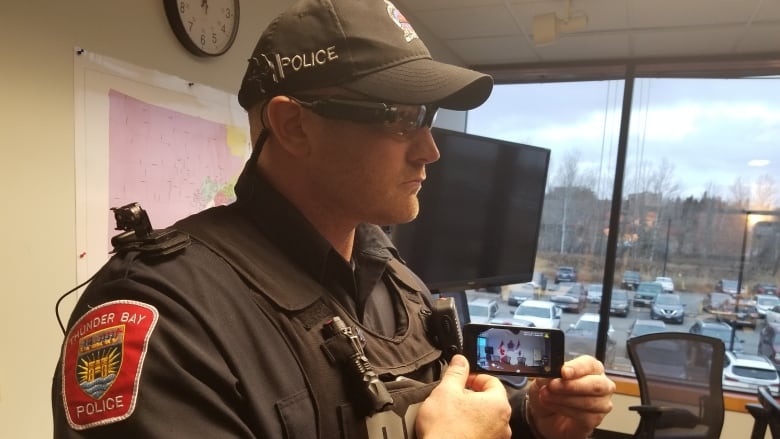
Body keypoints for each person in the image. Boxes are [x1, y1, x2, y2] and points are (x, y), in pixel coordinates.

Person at [51, 0, 615, 437]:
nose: (429, 150)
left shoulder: (392, 277)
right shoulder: (167, 317)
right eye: (398, 117)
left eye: (428, 117)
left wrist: (528, 417)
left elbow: (428, 410)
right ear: (294, 127)